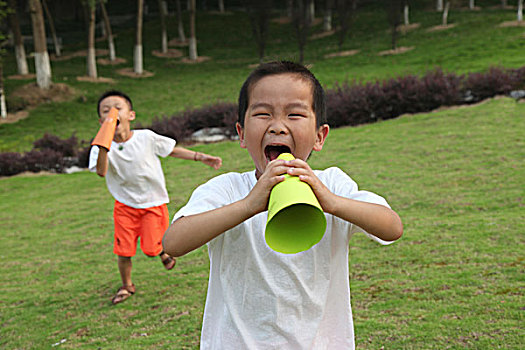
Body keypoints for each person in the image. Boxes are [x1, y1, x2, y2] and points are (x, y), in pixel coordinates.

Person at [162, 61, 403, 349]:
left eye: (295, 114)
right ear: (241, 133)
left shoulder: (332, 184)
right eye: (263, 114)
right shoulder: (227, 189)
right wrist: (249, 205)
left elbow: (392, 227)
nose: (277, 126)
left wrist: (333, 203)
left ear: (319, 136)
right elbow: (174, 242)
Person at [89, 90, 222, 305]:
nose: (112, 113)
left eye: (117, 108)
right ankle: (127, 286)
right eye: (107, 111)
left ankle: (160, 252)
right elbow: (101, 171)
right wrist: (103, 146)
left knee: (151, 249)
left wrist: (200, 156)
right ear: (101, 120)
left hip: (153, 202)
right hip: (125, 205)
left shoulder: (146, 137)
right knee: (123, 251)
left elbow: (171, 150)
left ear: (130, 115)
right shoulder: (101, 147)